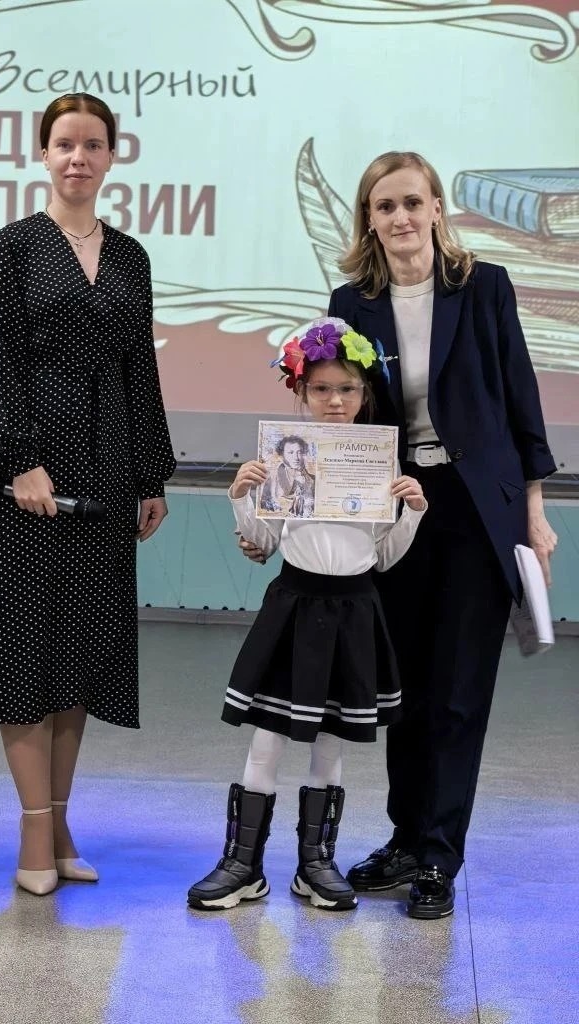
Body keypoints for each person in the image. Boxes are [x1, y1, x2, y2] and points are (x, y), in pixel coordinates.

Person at [313, 151, 556, 918]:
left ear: (438, 209)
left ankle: (439, 858)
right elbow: (341, 408)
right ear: (369, 219)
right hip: (397, 505)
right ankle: (405, 839)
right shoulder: (350, 303)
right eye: (384, 206)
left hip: (476, 507)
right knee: (405, 690)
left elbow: (521, 400)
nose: (401, 217)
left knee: (458, 694)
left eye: (412, 202)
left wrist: (535, 512)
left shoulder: (484, 287)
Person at [0, 93, 176, 896]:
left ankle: (60, 820)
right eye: (65, 144)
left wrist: (149, 474)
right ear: (42, 154)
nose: (79, 157)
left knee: (79, 652)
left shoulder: (131, 256)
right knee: (24, 651)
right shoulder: (14, 246)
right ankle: (33, 835)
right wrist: (18, 462)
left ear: (112, 156)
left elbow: (139, 369)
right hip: (26, 478)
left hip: (107, 466)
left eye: (93, 144)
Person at [187, 318, 427, 912]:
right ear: (300, 392)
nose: (335, 400)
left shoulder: (377, 465)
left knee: (330, 741)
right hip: (294, 608)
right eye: (321, 389)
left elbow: (383, 558)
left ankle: (315, 863)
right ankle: (242, 864)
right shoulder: (283, 458)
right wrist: (241, 495)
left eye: (347, 389)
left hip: (354, 612)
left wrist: (413, 512)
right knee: (268, 736)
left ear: (364, 393)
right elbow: (264, 543)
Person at [259, 435, 315, 517]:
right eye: (290, 452)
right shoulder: (272, 478)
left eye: (299, 452)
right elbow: (265, 509)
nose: (296, 457)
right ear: (282, 454)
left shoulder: (312, 480)